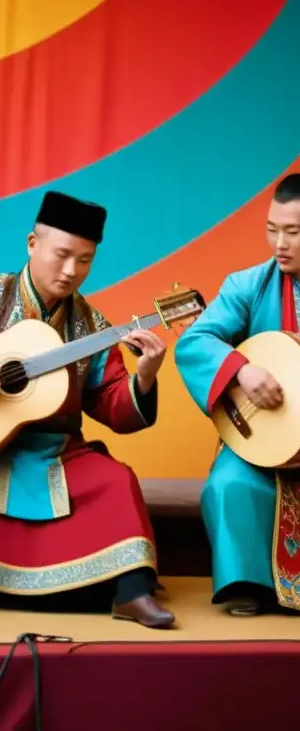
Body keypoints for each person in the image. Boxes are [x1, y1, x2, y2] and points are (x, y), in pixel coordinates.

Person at [0, 190, 176, 628]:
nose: (70, 271)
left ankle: (130, 592)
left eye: (84, 260)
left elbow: (114, 405)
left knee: (117, 483)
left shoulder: (92, 328)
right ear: (32, 244)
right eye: (61, 255)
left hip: (60, 453)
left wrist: (147, 375)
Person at [175, 173, 300, 616]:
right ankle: (249, 584)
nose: (279, 243)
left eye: (293, 232)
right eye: (272, 229)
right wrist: (241, 370)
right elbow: (195, 341)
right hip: (261, 442)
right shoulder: (248, 285)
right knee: (228, 484)